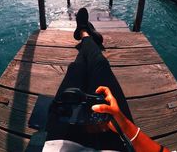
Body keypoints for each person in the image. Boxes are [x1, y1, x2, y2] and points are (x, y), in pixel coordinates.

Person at [43, 8, 170, 152]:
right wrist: (126, 127)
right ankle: (86, 35)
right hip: (115, 145)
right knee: (99, 64)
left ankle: (84, 34)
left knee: (76, 69)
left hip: (58, 142)